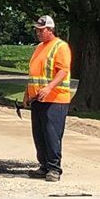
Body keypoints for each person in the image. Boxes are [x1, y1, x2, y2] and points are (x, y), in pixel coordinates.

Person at [23, 15, 72, 182]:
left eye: (41, 30)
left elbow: (63, 71)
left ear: (50, 30)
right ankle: (43, 166)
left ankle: (54, 168)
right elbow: (34, 73)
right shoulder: (39, 47)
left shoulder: (60, 46)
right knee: (39, 134)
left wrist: (49, 87)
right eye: (37, 29)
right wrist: (27, 93)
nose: (38, 32)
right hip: (38, 98)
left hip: (55, 99)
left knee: (52, 135)